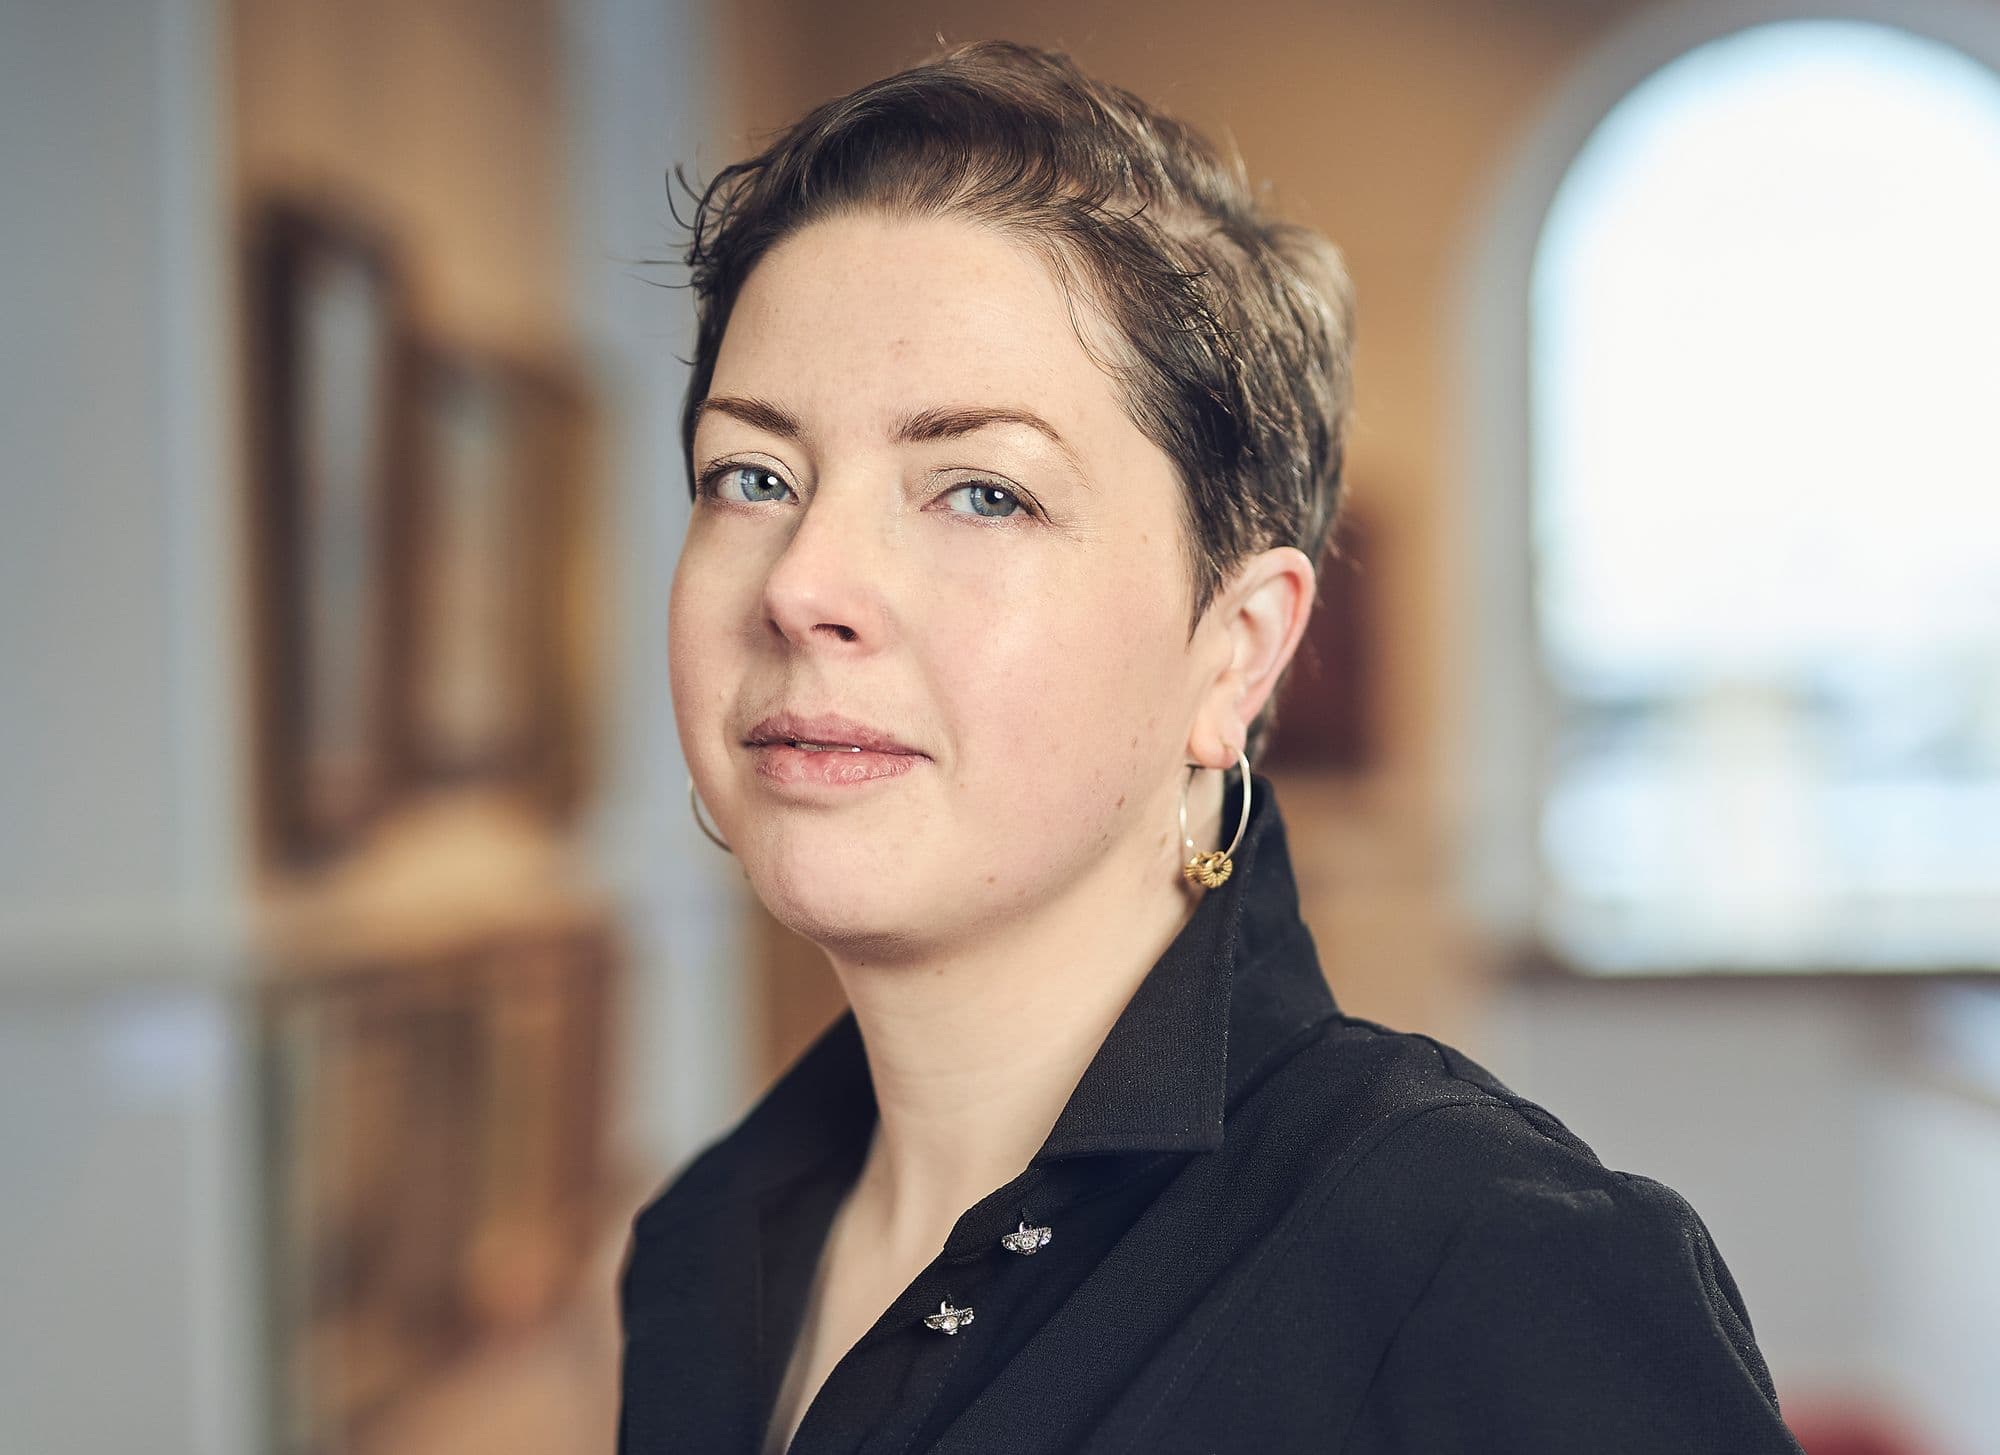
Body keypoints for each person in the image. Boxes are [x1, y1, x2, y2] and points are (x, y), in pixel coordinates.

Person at [617, 38, 1803, 1455]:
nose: (804, 583)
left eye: (982, 492)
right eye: (752, 476)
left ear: (1235, 649)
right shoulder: (699, 1247)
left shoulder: (1486, 1271)